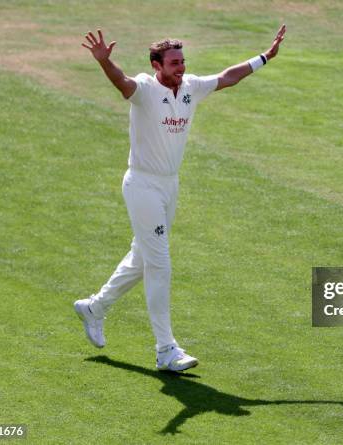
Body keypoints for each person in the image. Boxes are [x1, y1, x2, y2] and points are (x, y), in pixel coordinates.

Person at [74, 25, 286, 371]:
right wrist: (104, 63)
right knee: (160, 264)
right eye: (174, 63)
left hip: (169, 187)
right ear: (157, 65)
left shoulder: (190, 88)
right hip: (142, 185)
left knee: (142, 258)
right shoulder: (143, 89)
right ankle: (165, 350)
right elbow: (121, 82)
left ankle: (94, 308)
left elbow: (228, 77)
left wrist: (264, 57)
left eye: (183, 61)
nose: (181, 68)